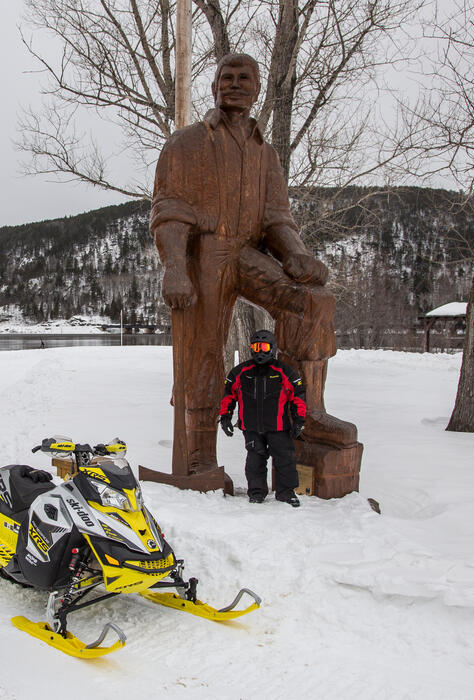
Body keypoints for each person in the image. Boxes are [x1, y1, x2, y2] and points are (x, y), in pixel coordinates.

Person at [151, 52, 348, 477]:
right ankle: (200, 451)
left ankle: (307, 409)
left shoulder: (266, 155)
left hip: (247, 252)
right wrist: (175, 269)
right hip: (205, 253)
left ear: (257, 88)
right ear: (214, 85)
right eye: (227, 76)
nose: (235, 83)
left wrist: (294, 251)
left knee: (313, 302)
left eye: (245, 77)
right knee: (203, 348)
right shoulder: (186, 143)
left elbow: (277, 218)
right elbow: (168, 211)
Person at [219, 330, 306, 506]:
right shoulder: (240, 372)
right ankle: (257, 492)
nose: (260, 351)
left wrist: (299, 420)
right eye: (256, 347)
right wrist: (225, 417)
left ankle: (286, 493)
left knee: (284, 460)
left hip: (278, 427)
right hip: (251, 427)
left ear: (272, 348)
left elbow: (298, 396)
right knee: (255, 461)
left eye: (264, 347)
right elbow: (228, 396)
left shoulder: (283, 371)